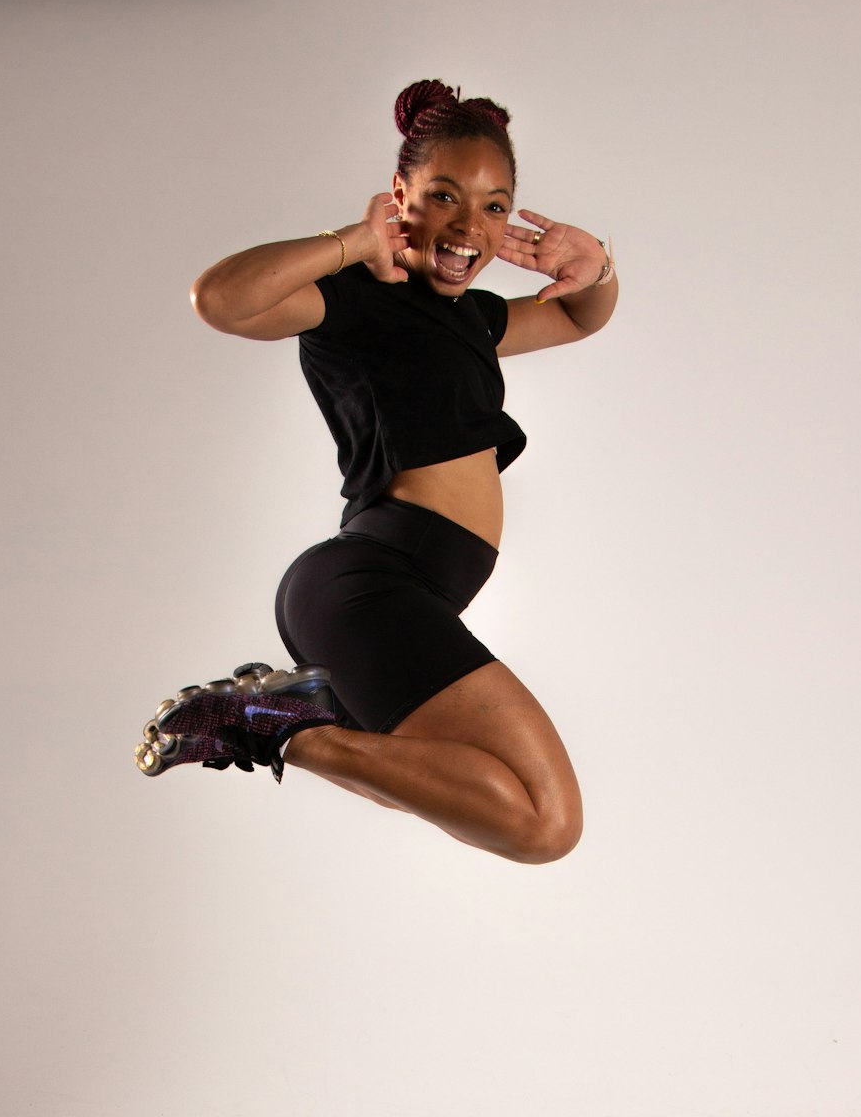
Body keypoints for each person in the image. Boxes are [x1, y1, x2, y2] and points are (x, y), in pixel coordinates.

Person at [134, 79, 617, 864]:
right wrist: (351, 245)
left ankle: (282, 722)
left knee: (444, 786)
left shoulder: (470, 318)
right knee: (543, 821)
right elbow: (220, 300)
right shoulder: (356, 299)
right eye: (446, 196)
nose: (470, 226)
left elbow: (573, 315)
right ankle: (275, 723)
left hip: (389, 589)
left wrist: (596, 268)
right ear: (402, 197)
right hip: (367, 585)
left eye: (495, 207)